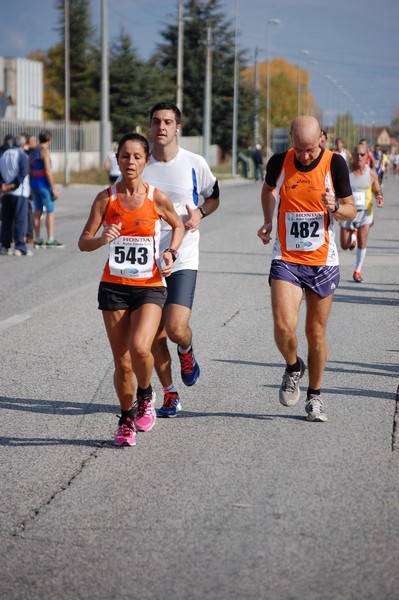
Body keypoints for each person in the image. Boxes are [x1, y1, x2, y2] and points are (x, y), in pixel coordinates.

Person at [78, 132, 184, 446]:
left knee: (141, 347)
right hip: (113, 287)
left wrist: (170, 254)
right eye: (125, 156)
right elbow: (84, 242)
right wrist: (101, 239)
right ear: (117, 158)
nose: (130, 162)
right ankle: (126, 420)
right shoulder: (105, 198)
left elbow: (177, 225)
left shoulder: (157, 198)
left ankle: (146, 394)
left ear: (146, 160)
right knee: (122, 361)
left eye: (137, 156)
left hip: (150, 286)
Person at [257, 116, 355, 422]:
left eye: (310, 149)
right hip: (286, 257)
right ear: (291, 141)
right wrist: (267, 219)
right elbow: (268, 190)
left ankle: (315, 397)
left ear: (321, 140)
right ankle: (292, 366)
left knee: (315, 333)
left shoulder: (335, 164)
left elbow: (351, 209)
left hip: (322, 261)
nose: (304, 155)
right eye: (299, 149)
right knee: (283, 326)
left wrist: (335, 207)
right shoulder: (280, 162)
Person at [143, 101, 220, 418]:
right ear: (149, 126)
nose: (162, 126)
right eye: (157, 121)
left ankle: (187, 350)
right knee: (153, 336)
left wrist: (200, 212)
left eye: (168, 122)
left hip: (184, 255)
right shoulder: (140, 164)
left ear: (178, 128)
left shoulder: (194, 162)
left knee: (175, 328)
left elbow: (214, 196)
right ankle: (169, 394)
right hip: (146, 261)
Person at [340, 144, 384, 283]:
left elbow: (377, 190)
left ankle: (357, 271)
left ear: (367, 157)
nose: (359, 157)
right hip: (347, 212)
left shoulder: (371, 173)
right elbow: (337, 190)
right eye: (357, 154)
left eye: (362, 154)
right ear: (353, 155)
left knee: (362, 240)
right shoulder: (345, 172)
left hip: (365, 213)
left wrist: (379, 197)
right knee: (344, 245)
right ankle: (353, 234)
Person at [30, 129, 64, 248]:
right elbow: (48, 171)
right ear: (49, 139)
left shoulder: (34, 151)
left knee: (37, 211)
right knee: (50, 211)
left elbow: (30, 170)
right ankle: (50, 239)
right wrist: (53, 188)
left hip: (34, 183)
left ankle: (38, 238)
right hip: (44, 184)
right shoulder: (45, 151)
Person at [0, 134, 32, 256]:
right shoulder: (21, 155)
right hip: (19, 193)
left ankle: (5, 245)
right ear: (23, 145)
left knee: (6, 221)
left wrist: (3, 185)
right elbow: (22, 174)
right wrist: (11, 186)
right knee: (20, 220)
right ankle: (19, 246)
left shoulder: (3, 155)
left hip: (5, 194)